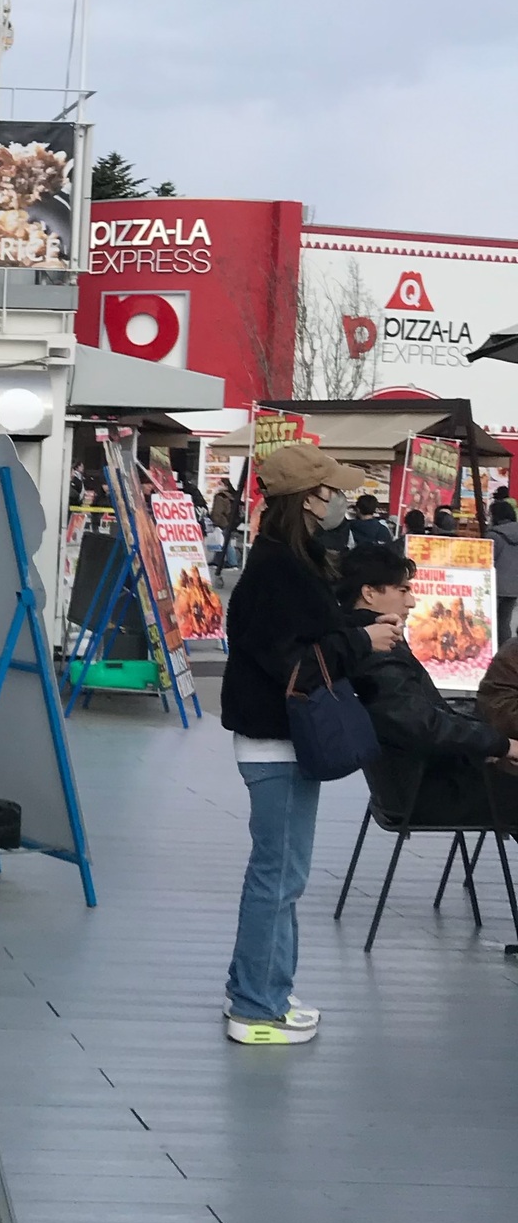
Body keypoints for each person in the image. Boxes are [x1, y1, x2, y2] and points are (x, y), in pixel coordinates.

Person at [220, 443, 399, 1045]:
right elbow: (291, 660)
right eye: (332, 491)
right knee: (279, 877)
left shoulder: (286, 563)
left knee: (280, 875)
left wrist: (358, 628)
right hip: (277, 742)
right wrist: (362, 641)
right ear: (309, 500)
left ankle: (262, 986)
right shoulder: (282, 571)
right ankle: (257, 1008)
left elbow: (307, 635)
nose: (340, 501)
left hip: (282, 740)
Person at [337, 543, 518, 822]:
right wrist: (498, 744)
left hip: (414, 784)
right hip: (430, 789)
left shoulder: (358, 641)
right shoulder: (377, 649)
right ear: (369, 593)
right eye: (403, 590)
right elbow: (422, 724)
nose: (411, 602)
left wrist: (488, 743)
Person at [491, 497, 518, 644]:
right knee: (504, 622)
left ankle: (492, 650)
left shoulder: (493, 536)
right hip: (514, 586)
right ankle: (504, 649)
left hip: (494, 585)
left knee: (490, 621)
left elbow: (488, 560)